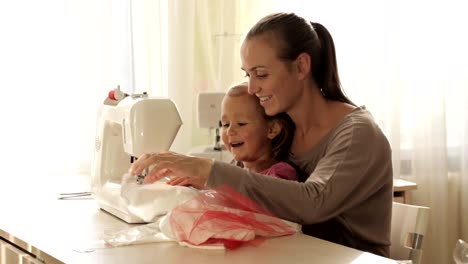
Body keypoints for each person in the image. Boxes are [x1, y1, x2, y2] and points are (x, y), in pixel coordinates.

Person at [130, 12, 393, 257]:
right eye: (247, 75)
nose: (252, 88)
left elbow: (314, 202)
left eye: (261, 74)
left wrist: (209, 170)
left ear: (301, 66)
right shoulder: (284, 128)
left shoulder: (357, 134)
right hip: (294, 256)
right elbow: (252, 187)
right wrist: (198, 182)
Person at [165, 82, 298, 188]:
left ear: (271, 129)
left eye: (241, 123)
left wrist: (213, 186)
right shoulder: (234, 167)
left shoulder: (281, 174)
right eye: (225, 124)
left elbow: (263, 201)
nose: (230, 132)